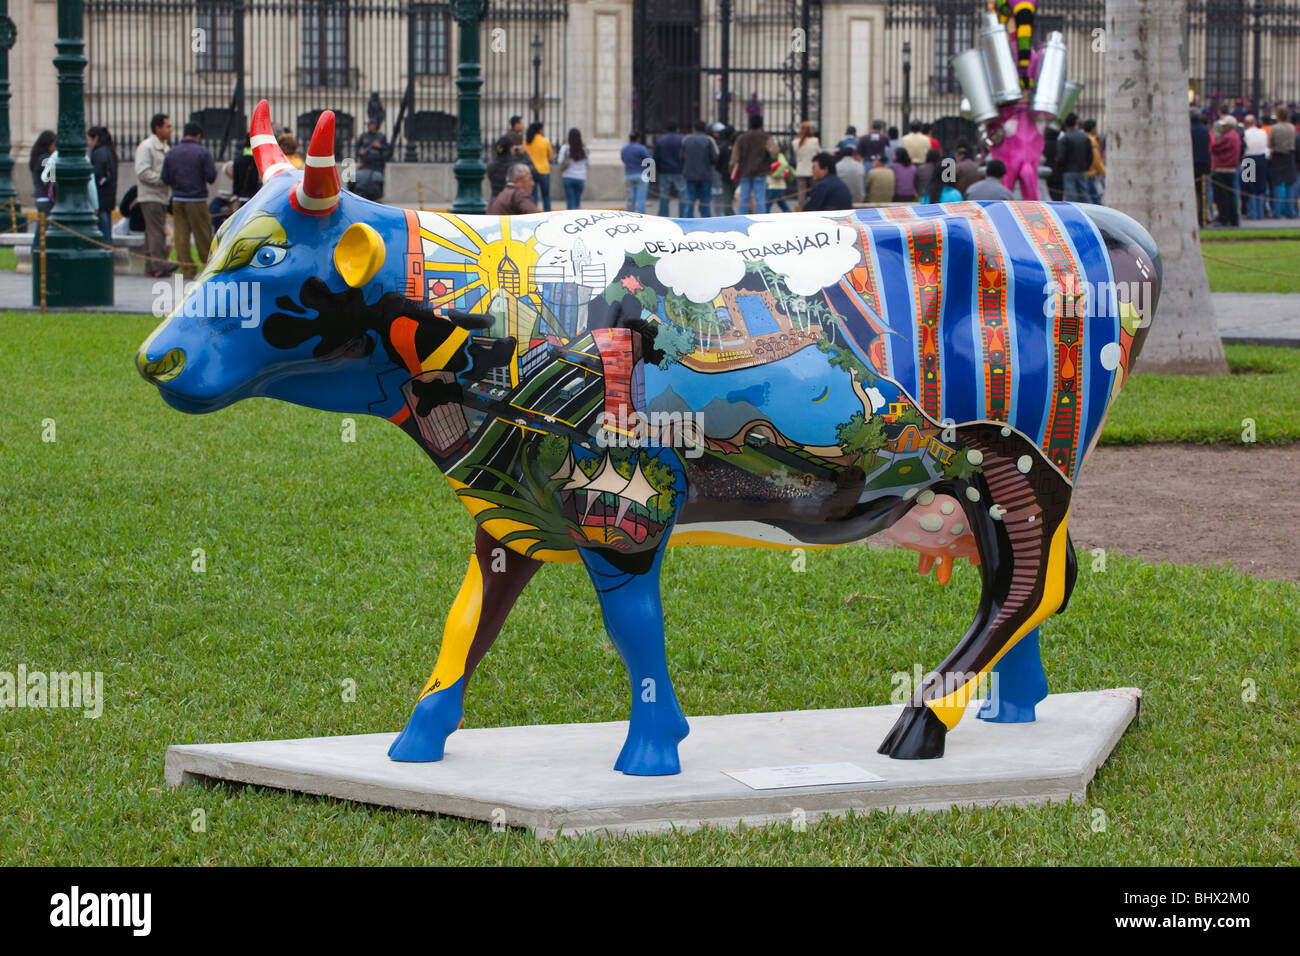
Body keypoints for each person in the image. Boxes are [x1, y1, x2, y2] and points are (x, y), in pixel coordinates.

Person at [161, 121, 217, 280]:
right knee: (203, 235)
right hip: (197, 199)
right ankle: (209, 269)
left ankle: (187, 270)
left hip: (177, 199)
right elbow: (211, 177)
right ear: (198, 135)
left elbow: (165, 177)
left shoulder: (171, 152)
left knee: (181, 235)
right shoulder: (202, 152)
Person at [135, 113, 175, 277]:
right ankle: (159, 265)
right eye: (167, 126)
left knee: (152, 231)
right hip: (151, 195)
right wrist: (162, 180)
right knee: (156, 231)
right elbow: (142, 171)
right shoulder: (147, 147)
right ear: (157, 128)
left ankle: (151, 267)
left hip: (161, 196)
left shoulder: (166, 147)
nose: (170, 129)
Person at [731, 113, 775, 215]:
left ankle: (742, 218)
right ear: (761, 124)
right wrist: (770, 160)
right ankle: (760, 218)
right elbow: (774, 152)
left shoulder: (741, 138)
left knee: (744, 198)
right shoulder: (766, 138)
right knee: (760, 198)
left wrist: (732, 169)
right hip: (761, 171)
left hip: (745, 171)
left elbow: (735, 157)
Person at [680, 120, 718, 218]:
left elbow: (681, 157)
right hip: (705, 174)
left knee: (690, 198)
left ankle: (688, 219)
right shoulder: (709, 140)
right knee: (705, 199)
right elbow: (714, 158)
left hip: (690, 174)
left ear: (694, 128)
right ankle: (705, 219)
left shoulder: (686, 140)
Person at [1209, 114, 1241, 226]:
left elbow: (1215, 148)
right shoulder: (1235, 135)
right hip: (1230, 168)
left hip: (1223, 168)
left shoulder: (1228, 137)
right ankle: (1233, 219)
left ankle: (1224, 218)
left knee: (1223, 197)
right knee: (1230, 196)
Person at [87, 126, 117, 242]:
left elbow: (96, 175)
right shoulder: (109, 151)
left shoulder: (99, 153)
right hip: (108, 196)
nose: (89, 143)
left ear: (96, 138)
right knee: (106, 229)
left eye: (90, 139)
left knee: (103, 232)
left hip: (101, 198)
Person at [651, 121, 686, 217]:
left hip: (665, 171)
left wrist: (657, 170)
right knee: (682, 194)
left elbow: (656, 157)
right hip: (680, 170)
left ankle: (664, 216)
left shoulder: (660, 140)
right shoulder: (683, 139)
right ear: (677, 128)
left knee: (664, 195)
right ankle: (683, 216)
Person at [1056, 113, 1093, 203]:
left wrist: (1061, 168)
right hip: (1082, 171)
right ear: (1076, 122)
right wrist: (1086, 167)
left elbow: (1061, 157)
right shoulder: (1085, 137)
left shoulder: (1064, 139)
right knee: (1084, 195)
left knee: (1071, 197)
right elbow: (1090, 155)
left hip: (1068, 171)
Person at [1267, 107, 1297, 219]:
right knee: (1290, 185)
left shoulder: (1274, 128)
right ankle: (1291, 211)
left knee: (1277, 185)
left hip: (1278, 156)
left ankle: (1277, 212)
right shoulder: (1291, 127)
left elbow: (1270, 144)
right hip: (1289, 156)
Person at [1240, 114, 1270, 220]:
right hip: (1261, 159)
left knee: (1249, 187)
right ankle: (1260, 212)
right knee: (1260, 187)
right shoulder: (1263, 132)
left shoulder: (1245, 134)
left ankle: (1252, 212)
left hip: (1248, 159)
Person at [525, 121, 554, 212]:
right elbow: (550, 156)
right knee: (546, 194)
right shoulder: (545, 141)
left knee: (533, 195)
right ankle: (547, 212)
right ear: (540, 130)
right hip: (544, 170)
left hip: (531, 171)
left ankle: (533, 212)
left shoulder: (526, 142)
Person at [28, 130, 56, 225]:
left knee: (41, 229)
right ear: (48, 145)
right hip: (46, 198)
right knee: (45, 229)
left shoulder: (37, 157)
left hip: (40, 197)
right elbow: (52, 179)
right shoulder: (46, 158)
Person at [556, 127, 588, 210]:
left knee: (570, 201)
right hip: (580, 177)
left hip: (568, 177)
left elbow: (559, 161)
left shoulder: (565, 148)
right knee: (577, 201)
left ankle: (570, 218)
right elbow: (587, 163)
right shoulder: (584, 149)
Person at [1189, 110, 1211, 225]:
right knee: (1203, 192)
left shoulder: (1190, 129)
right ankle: (1203, 216)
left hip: (1193, 163)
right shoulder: (1204, 129)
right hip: (1204, 163)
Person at [621, 131, 651, 214]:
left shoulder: (624, 149)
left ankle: (629, 214)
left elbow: (623, 159)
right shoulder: (641, 148)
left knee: (630, 199)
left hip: (628, 175)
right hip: (641, 175)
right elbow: (649, 160)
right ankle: (641, 216)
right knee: (641, 198)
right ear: (638, 138)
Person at [793, 120, 820, 208]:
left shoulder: (795, 142)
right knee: (814, 193)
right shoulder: (815, 141)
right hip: (812, 171)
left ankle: (802, 211)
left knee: (801, 195)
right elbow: (819, 153)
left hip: (800, 170)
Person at [230, 137, 261, 210]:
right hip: (252, 198)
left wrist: (236, 193)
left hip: (240, 196)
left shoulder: (239, 158)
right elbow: (254, 180)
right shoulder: (256, 160)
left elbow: (236, 179)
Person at [1082, 119, 1105, 204]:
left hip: (1082, 173)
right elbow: (1097, 161)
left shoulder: (1081, 138)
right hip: (1091, 175)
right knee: (1096, 201)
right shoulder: (1092, 141)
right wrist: (1104, 173)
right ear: (1092, 128)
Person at [766, 148, 795, 212]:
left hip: (774, 186)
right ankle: (790, 214)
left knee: (767, 205)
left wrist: (775, 174)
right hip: (776, 185)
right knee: (782, 203)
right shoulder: (775, 156)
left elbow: (784, 164)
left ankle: (764, 217)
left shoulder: (778, 156)